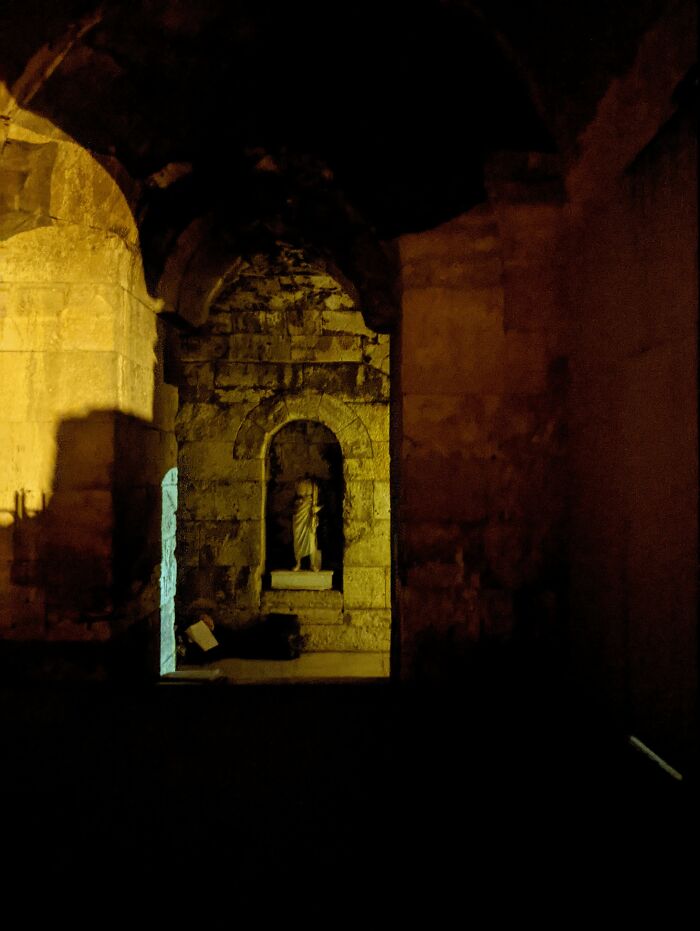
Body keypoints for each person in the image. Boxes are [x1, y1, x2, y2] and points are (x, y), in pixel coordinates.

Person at [292, 478, 322, 571]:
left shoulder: (315, 486)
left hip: (309, 515)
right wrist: (297, 503)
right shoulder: (297, 483)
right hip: (299, 516)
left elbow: (322, 501)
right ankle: (298, 563)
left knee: (311, 540)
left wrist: (317, 508)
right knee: (297, 540)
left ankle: (312, 564)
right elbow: (293, 501)